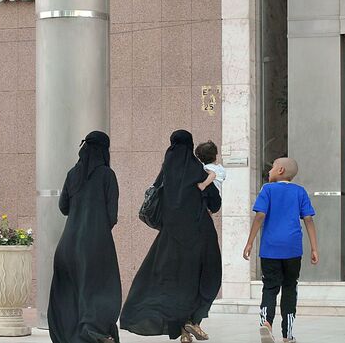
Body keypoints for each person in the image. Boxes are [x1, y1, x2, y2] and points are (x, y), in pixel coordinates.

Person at [121, 130, 222, 343]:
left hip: (172, 238)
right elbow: (215, 203)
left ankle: (183, 331)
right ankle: (193, 321)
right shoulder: (198, 170)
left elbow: (155, 195)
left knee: (173, 281)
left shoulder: (166, 171)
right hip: (200, 235)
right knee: (204, 276)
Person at [48, 131, 122, 343]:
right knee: (103, 288)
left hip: (67, 245)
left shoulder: (73, 174)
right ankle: (95, 329)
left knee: (71, 292)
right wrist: (98, 230)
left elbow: (63, 207)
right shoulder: (108, 175)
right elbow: (112, 215)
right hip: (96, 244)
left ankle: (77, 335)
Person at [243, 157, 318, 343]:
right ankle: (288, 334)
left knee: (269, 287)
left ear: (281, 170)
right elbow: (308, 220)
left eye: (272, 167)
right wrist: (314, 248)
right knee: (290, 288)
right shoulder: (300, 192)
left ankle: (266, 322)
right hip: (293, 249)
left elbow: (260, 215)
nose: (269, 171)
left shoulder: (267, 190)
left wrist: (250, 242)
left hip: (270, 249)